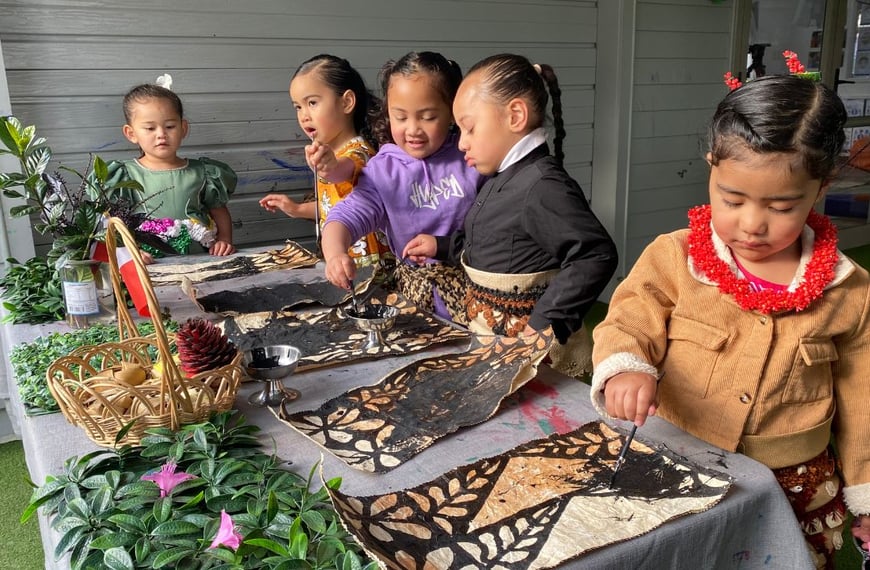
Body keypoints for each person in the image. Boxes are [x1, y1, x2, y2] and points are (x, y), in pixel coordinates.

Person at [589, 74, 870, 569]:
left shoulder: (850, 291)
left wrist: (865, 489)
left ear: (821, 188)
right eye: (732, 199)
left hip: (795, 481)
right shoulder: (674, 257)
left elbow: (862, 398)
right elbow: (628, 319)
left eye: (781, 206)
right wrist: (626, 366)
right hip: (680, 456)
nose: (752, 224)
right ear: (711, 170)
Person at [402, 54, 618, 378]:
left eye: (469, 128)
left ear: (515, 115)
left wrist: (546, 322)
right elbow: (498, 245)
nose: (461, 143)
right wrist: (442, 246)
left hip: (537, 359)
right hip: (496, 346)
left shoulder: (542, 185)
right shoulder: (503, 178)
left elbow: (595, 253)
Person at [322, 51, 483, 318]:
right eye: (400, 117)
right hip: (417, 302)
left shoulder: (472, 156)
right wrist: (335, 253)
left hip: (480, 294)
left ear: (453, 112)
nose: (413, 129)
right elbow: (346, 215)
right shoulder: (384, 170)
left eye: (428, 117)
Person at [259, 54, 392, 268]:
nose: (304, 115)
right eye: (298, 107)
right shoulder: (329, 153)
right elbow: (331, 205)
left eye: (312, 102)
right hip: (340, 264)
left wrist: (329, 167)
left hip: (368, 267)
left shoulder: (360, 152)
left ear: (347, 102)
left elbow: (343, 170)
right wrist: (295, 209)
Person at [106, 78, 236, 256]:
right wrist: (130, 252)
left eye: (169, 126)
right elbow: (114, 222)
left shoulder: (203, 172)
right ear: (131, 133)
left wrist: (225, 240)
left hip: (200, 258)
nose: (161, 135)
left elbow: (219, 211)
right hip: (149, 264)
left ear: (183, 128)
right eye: (150, 128)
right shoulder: (125, 176)